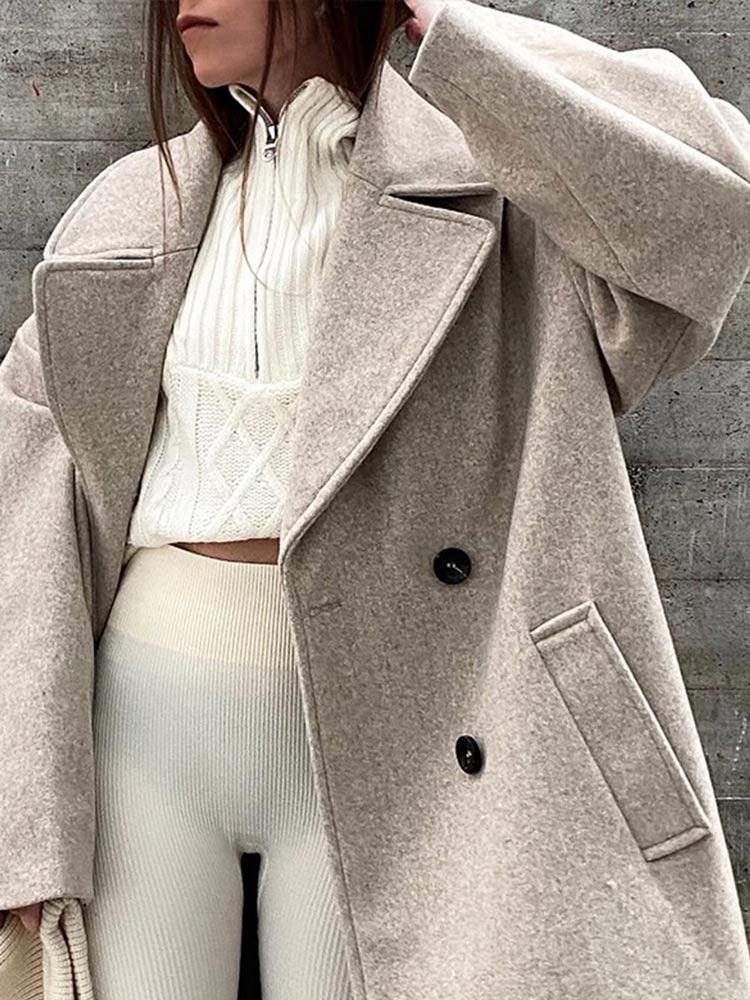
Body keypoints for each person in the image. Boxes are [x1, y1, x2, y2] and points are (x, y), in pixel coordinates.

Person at [3, 0, 750, 997]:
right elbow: (32, 509)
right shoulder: (130, 213)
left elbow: (712, 202)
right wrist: (27, 813)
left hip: (396, 728)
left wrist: (455, 32)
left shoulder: (499, 193)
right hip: (143, 723)